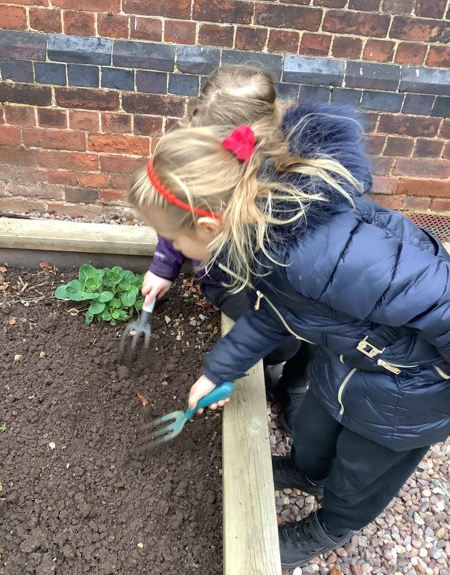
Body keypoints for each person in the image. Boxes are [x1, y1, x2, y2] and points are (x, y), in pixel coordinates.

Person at [129, 93, 450, 569]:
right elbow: (274, 310)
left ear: (206, 223)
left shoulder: (327, 257)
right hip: (346, 358)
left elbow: (440, 298)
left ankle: (334, 523)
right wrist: (220, 369)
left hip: (408, 389)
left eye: (174, 238)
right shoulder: (271, 241)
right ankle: (307, 470)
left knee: (363, 468)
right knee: (315, 430)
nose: (172, 247)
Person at [142, 64, 309, 432]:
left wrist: (235, 359)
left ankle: (294, 382)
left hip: (282, 284)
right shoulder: (194, 161)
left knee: (300, 337)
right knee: (274, 339)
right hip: (224, 275)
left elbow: (293, 303)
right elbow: (176, 215)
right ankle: (267, 357)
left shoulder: (288, 190)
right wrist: (163, 266)